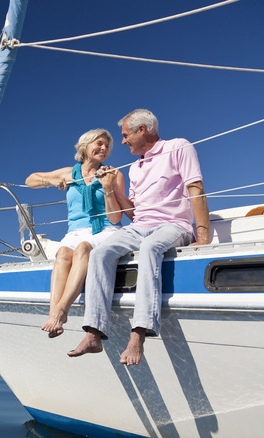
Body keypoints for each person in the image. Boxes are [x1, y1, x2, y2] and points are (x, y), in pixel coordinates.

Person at [68, 109, 210, 365]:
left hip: (173, 224)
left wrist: (203, 236)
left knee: (150, 248)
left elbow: (195, 187)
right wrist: (109, 187)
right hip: (140, 226)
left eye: (125, 135)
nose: (122, 142)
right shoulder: (135, 168)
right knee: (100, 253)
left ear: (142, 130)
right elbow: (133, 213)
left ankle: (139, 334)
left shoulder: (178, 146)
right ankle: (94, 333)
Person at [26, 129, 125, 338]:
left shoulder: (113, 174)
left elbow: (116, 218)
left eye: (107, 146)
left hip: (105, 228)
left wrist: (107, 187)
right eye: (99, 144)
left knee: (82, 249)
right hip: (75, 230)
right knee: (62, 254)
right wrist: (50, 181)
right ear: (85, 146)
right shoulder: (68, 172)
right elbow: (30, 180)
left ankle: (61, 311)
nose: (104, 149)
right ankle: (53, 313)